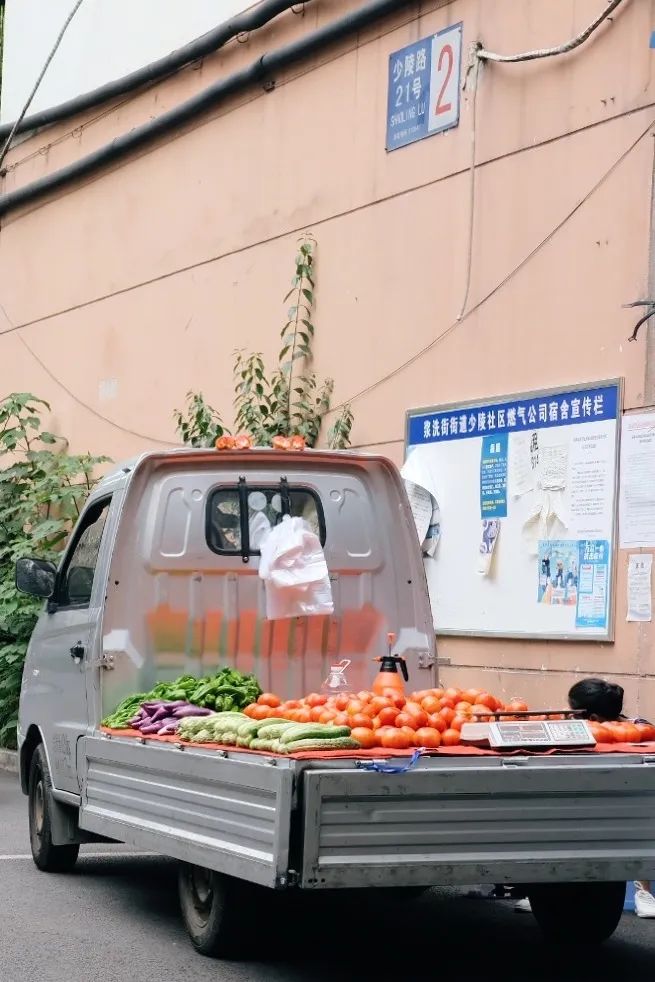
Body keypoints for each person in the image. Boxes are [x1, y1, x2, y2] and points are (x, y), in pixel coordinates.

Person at [516, 678, 655, 917]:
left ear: (591, 718)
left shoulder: (637, 732)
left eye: (573, 712)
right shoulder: (633, 727)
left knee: (637, 825)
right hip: (589, 802)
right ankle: (545, 892)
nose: (570, 717)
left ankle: (643, 890)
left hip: (625, 804)